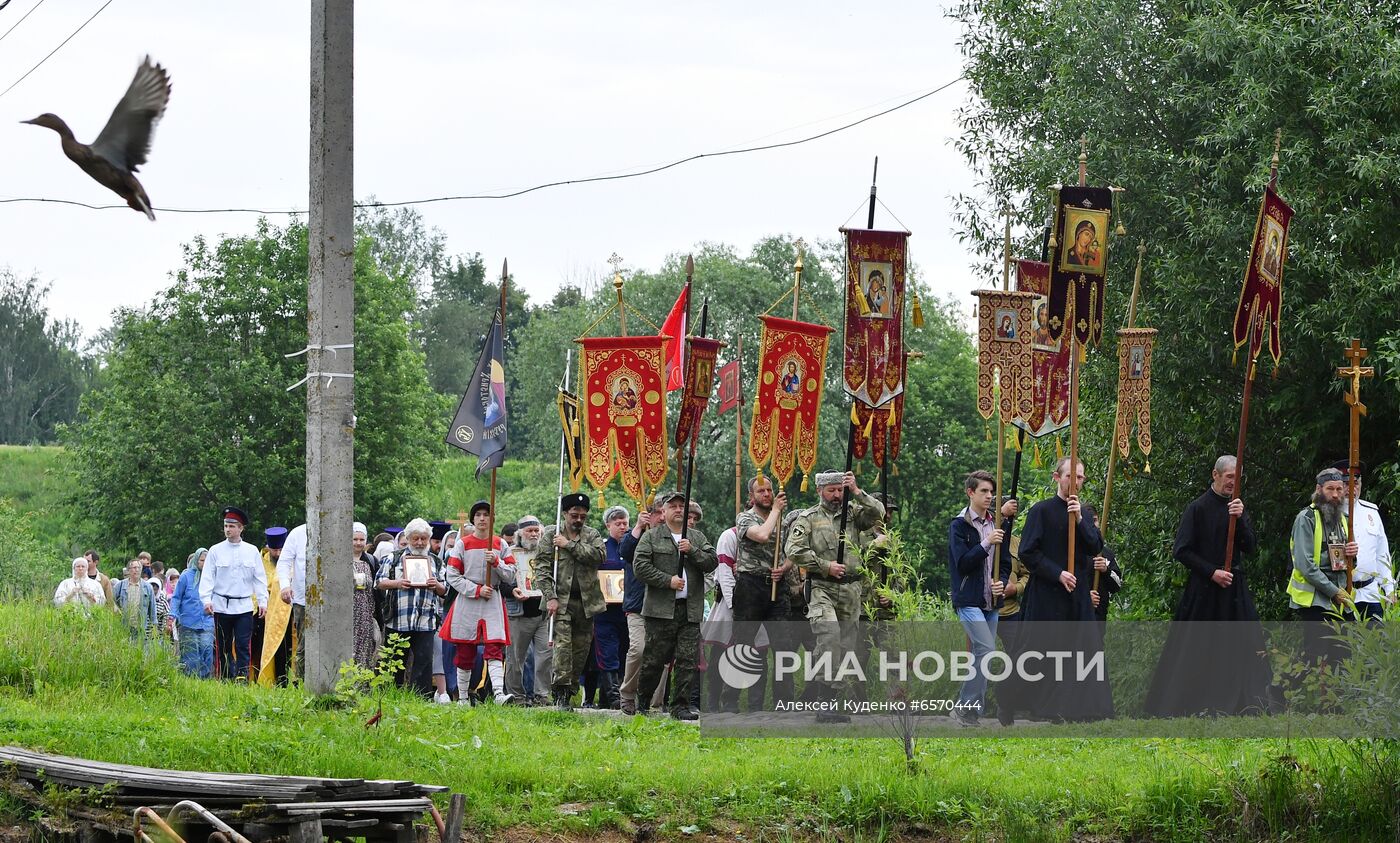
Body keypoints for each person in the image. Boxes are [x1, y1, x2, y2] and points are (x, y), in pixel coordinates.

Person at [1145, 455, 1273, 717]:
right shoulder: (1198, 508)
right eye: (1229, 478)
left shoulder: (1237, 507)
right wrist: (1211, 572)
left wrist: (1241, 520)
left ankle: (1246, 703)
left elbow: (1250, 547)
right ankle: (1194, 703)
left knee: (1245, 645)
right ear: (1215, 475)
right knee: (1198, 647)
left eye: (1237, 479)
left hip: (1234, 591)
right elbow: (1181, 550)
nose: (1233, 483)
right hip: (1204, 591)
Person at [786, 470, 885, 723]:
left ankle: (830, 701)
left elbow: (878, 514)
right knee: (829, 638)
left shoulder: (853, 514)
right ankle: (824, 702)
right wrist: (824, 565)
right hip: (823, 587)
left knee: (845, 647)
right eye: (831, 490)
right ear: (820, 490)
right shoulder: (808, 518)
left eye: (840, 490)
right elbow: (794, 550)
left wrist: (857, 492)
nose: (836, 495)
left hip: (851, 590)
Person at [1017, 457, 1112, 721]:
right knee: (1046, 649)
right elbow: (1027, 552)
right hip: (1048, 592)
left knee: (1083, 649)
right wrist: (1057, 573)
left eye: (1080, 477)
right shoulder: (1041, 511)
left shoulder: (1082, 514)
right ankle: (1043, 708)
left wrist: (1081, 518)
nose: (1076, 482)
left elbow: (1095, 546)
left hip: (1077, 595)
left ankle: (1084, 708)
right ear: (1057, 477)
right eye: (1071, 476)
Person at [634, 491, 718, 720]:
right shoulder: (651, 536)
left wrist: (692, 551)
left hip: (690, 610)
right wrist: (667, 580)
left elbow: (712, 562)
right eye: (674, 506)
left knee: (687, 660)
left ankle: (679, 706)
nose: (679, 510)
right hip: (660, 610)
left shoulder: (697, 538)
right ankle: (642, 703)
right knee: (654, 659)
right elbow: (640, 566)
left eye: (682, 506)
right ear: (663, 511)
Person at [948, 470, 1018, 725]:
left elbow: (1006, 562)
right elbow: (963, 563)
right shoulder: (959, 525)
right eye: (984, 491)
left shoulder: (998, 523)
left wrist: (1000, 581)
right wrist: (986, 542)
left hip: (992, 600)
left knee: (985, 654)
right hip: (967, 599)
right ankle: (964, 706)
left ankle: (969, 711)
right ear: (970, 493)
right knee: (987, 648)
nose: (989, 496)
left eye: (991, 492)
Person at [533, 493, 607, 711]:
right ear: (565, 513)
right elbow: (542, 568)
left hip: (587, 603)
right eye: (574, 515)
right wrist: (550, 596)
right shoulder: (550, 535)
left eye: (583, 516)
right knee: (563, 649)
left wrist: (569, 545)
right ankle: (561, 693)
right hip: (561, 602)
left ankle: (571, 690)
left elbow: (599, 556)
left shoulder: (591, 534)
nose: (578, 520)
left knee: (580, 651)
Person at [440, 501, 518, 705]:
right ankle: (463, 697)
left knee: (494, 646)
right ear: (473, 519)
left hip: (492, 598)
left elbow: (511, 575)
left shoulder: (501, 544)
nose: (482, 518)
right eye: (479, 515)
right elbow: (452, 575)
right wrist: (475, 590)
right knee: (465, 648)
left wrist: (497, 563)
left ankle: (499, 694)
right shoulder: (463, 544)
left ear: (492, 519)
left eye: (486, 514)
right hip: (469, 601)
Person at [726, 475, 792, 712]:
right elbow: (762, 536)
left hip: (777, 585)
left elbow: (793, 550)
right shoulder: (745, 517)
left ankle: (784, 703)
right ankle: (730, 702)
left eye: (769, 490)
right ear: (751, 496)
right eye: (761, 491)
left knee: (784, 646)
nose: (766, 494)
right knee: (742, 645)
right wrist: (775, 511)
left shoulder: (784, 520)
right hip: (750, 586)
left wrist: (784, 567)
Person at [1288, 467, 1358, 666]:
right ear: (1319, 490)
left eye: (1339, 489)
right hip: (1316, 600)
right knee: (1314, 659)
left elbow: (1348, 563)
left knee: (1344, 657)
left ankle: (1340, 697)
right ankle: (1286, 694)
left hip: (1341, 599)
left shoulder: (1343, 520)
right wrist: (1334, 591)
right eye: (1330, 489)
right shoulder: (1306, 519)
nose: (1335, 495)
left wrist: (1354, 555)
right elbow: (1305, 565)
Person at [376, 518, 448, 697]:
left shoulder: (435, 562)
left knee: (423, 663)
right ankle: (391, 696)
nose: (420, 542)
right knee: (394, 662)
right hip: (398, 619)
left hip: (426, 620)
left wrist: (436, 585)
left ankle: (420, 699)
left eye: (423, 538)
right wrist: (398, 583)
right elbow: (379, 582)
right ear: (407, 538)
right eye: (415, 538)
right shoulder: (394, 558)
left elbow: (445, 590)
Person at [200, 507, 268, 680]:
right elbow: (208, 577)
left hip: (244, 606)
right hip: (221, 605)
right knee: (222, 645)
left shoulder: (251, 550)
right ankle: (225, 677)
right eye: (226, 526)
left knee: (243, 645)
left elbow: (259, 578)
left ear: (241, 528)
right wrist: (206, 600)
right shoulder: (215, 550)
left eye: (232, 526)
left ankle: (242, 677)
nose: (228, 530)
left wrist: (262, 601)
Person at [1334, 460, 1394, 623]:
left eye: (1356, 483)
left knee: (1375, 645)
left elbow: (1382, 555)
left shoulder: (1372, 512)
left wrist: (1389, 589)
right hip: (1342, 595)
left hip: (1371, 595)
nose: (1351, 489)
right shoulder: (1328, 515)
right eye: (1346, 484)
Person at [618, 498, 661, 714]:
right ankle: (627, 694)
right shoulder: (636, 536)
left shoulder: (670, 537)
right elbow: (625, 552)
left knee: (660, 653)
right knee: (638, 648)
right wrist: (637, 527)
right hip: (637, 604)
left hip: (663, 604)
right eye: (656, 512)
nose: (661, 517)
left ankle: (654, 702)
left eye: (665, 512)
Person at [505, 515, 552, 705]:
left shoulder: (547, 553)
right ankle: (517, 696)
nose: (533, 534)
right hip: (519, 613)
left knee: (546, 655)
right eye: (529, 531)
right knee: (516, 657)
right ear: (520, 534)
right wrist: (512, 591)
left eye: (536, 531)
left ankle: (542, 695)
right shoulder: (509, 553)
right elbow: (500, 582)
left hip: (543, 612)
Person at [592, 505, 632, 709]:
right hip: (605, 611)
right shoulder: (602, 548)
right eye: (618, 523)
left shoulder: (634, 546)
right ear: (608, 525)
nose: (623, 527)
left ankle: (624, 696)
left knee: (628, 652)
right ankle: (613, 697)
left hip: (629, 610)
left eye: (625, 523)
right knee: (607, 654)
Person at [254, 526, 292, 685]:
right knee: (262, 647)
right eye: (274, 550)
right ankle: (264, 680)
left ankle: (286, 680)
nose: (278, 554)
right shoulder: (260, 562)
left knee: (286, 648)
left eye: (281, 550)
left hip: (287, 613)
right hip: (264, 614)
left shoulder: (291, 561)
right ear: (268, 547)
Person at [172, 547, 214, 678]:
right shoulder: (186, 576)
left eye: (207, 561)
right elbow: (176, 597)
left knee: (207, 653)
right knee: (191, 655)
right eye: (202, 560)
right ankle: (190, 681)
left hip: (207, 623)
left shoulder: (213, 577)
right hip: (188, 623)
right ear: (196, 560)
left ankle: (205, 682)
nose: (204, 563)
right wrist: (173, 615)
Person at [275, 523, 309, 680]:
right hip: (303, 599)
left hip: (333, 600)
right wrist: (285, 586)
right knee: (304, 643)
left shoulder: (337, 528)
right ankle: (302, 683)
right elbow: (284, 562)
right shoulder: (298, 533)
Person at [351, 522, 380, 670]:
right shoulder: (341, 560)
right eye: (355, 539)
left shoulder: (371, 561)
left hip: (365, 614)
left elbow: (375, 589)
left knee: (365, 648)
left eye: (361, 540)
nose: (358, 543)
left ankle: (362, 685)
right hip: (348, 613)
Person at [114, 558, 157, 647]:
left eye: (138, 567)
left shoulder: (147, 587)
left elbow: (152, 608)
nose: (136, 570)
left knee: (139, 651)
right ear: (129, 570)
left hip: (140, 627)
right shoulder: (120, 585)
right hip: (123, 626)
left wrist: (154, 626)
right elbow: (111, 601)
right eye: (133, 568)